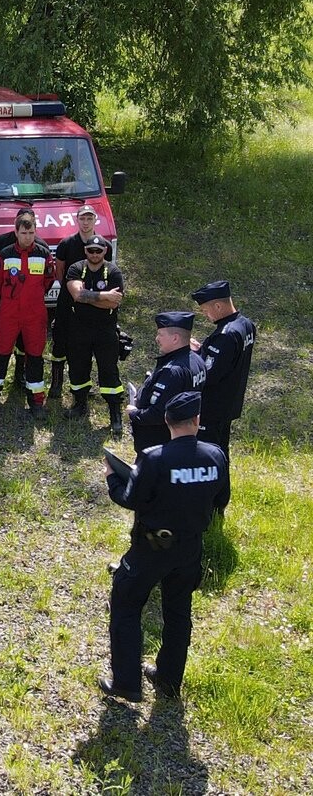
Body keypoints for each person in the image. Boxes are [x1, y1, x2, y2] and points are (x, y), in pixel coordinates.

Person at [100, 391, 226, 701]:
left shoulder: (155, 458)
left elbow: (131, 499)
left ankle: (126, 683)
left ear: (167, 422)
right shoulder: (215, 455)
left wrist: (112, 478)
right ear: (197, 420)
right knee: (178, 611)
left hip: (153, 546)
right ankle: (169, 680)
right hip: (190, 547)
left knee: (126, 604)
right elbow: (221, 498)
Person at [190, 280, 255, 511]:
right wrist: (203, 350)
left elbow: (210, 374)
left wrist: (193, 356)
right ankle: (220, 500)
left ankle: (210, 504)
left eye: (206, 309)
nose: (205, 314)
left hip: (213, 406)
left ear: (218, 306)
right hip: (229, 403)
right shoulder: (246, 324)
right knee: (221, 451)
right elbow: (228, 362)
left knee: (209, 455)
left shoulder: (226, 334)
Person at [0, 214, 55, 418]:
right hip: (9, 312)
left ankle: (36, 401)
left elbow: (48, 280)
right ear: (16, 232)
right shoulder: (5, 255)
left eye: (31, 232)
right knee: (0, 353)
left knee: (35, 356)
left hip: (35, 314)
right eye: (24, 233)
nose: (27, 237)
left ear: (35, 232)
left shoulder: (43, 254)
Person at [62, 234, 126, 432]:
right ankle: (80, 404)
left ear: (105, 251)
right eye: (91, 250)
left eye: (99, 251)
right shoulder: (76, 268)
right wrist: (104, 295)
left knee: (109, 370)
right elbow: (77, 295)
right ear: (85, 251)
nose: (95, 254)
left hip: (105, 330)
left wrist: (89, 297)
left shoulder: (113, 272)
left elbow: (114, 303)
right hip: (79, 328)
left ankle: (115, 413)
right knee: (78, 367)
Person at [129, 312, 207, 455]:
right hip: (183, 440)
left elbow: (158, 413)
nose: (157, 338)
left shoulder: (172, 371)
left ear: (175, 338)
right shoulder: (198, 360)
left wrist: (134, 413)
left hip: (159, 444)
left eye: (160, 334)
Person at [49, 204, 100, 397]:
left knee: (85, 344)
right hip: (67, 301)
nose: (86, 223)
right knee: (60, 340)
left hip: (91, 303)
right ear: (77, 220)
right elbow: (59, 271)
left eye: (89, 218)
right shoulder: (66, 244)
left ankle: (83, 385)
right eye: (82, 219)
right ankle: (56, 383)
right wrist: (70, 291)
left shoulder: (102, 244)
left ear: (95, 220)